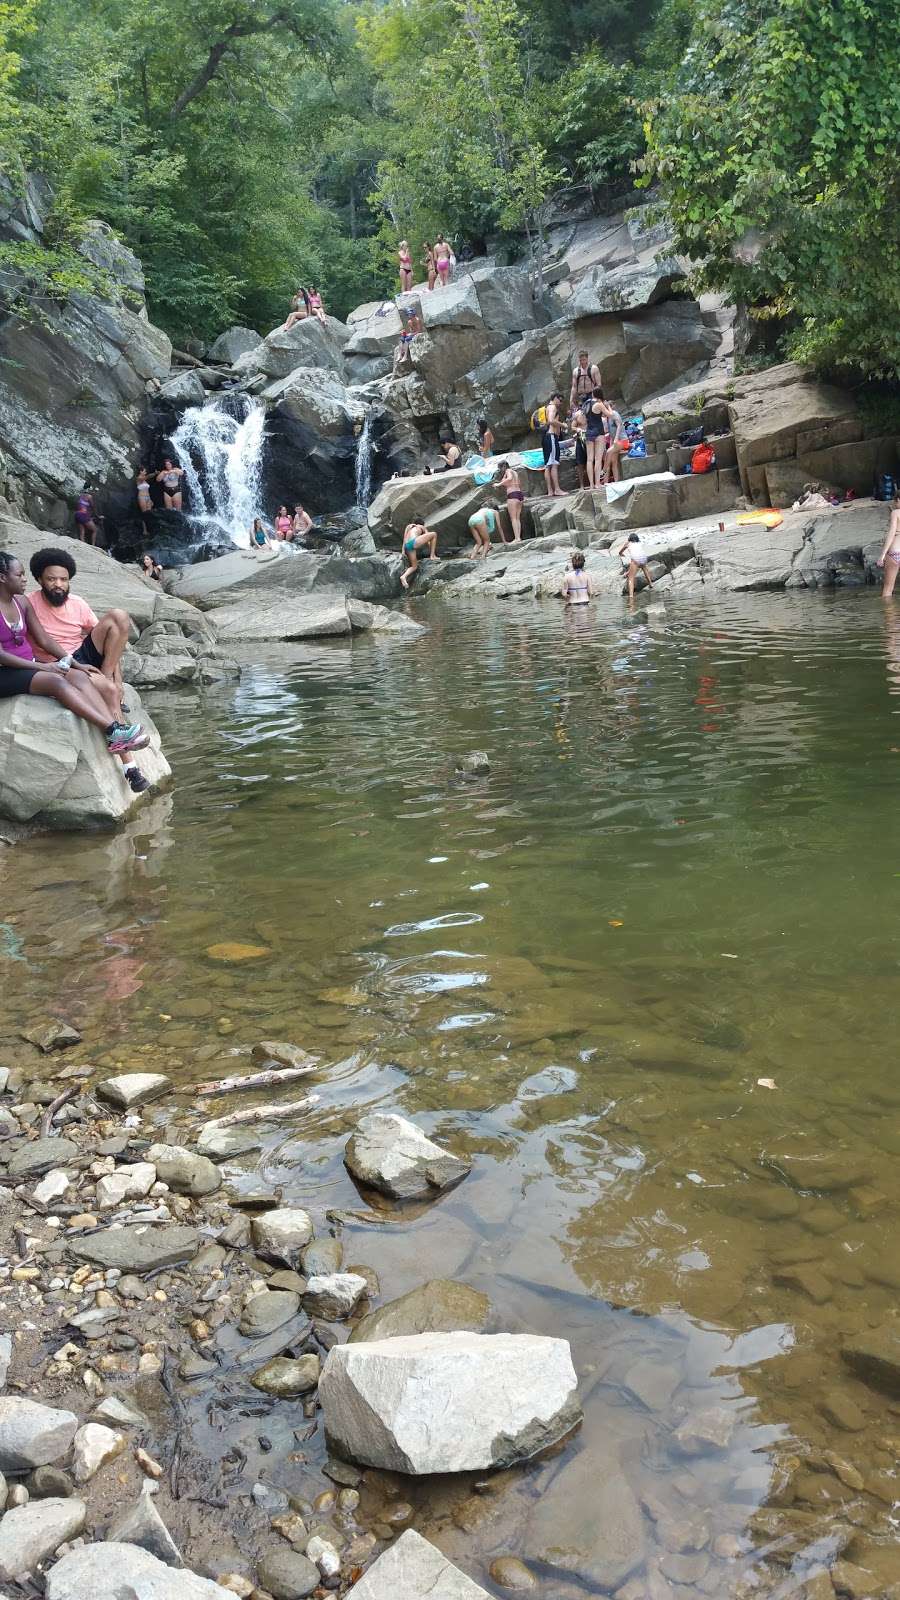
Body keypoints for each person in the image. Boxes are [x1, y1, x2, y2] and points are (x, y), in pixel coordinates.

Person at [0, 552, 149, 763]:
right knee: (79, 685)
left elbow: (45, 639)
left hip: (53, 660)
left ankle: (119, 733)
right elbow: (13, 652)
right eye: (19, 574)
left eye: (63, 579)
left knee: (82, 674)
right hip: (24, 667)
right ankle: (119, 742)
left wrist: (87, 667)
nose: (58, 584)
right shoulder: (28, 601)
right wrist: (46, 668)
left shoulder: (25, 602)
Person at [400, 520, 439, 589]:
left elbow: (404, 539)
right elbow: (429, 540)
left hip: (407, 546)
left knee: (414, 566)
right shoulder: (421, 526)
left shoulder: (409, 526)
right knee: (434, 534)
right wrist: (432, 549)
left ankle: (403, 577)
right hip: (413, 542)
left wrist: (403, 551)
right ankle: (432, 556)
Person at [494, 460, 524, 542]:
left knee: (513, 518)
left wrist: (498, 484)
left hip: (512, 495)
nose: (500, 470)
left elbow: (510, 478)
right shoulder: (515, 472)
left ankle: (517, 538)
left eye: (500, 468)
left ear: (504, 466)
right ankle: (519, 537)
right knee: (517, 518)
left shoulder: (508, 471)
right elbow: (516, 482)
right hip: (519, 494)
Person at [584, 387, 608, 489]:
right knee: (598, 459)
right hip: (599, 432)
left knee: (589, 460)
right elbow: (609, 415)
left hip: (589, 432)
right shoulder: (599, 404)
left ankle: (591, 485)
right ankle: (598, 483)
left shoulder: (586, 404)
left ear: (593, 394)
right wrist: (608, 406)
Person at [542, 393, 565, 498]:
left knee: (548, 465)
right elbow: (551, 421)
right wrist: (562, 424)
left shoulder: (547, 407)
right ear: (555, 398)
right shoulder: (552, 407)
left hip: (546, 437)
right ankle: (557, 489)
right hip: (551, 437)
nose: (561, 402)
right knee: (554, 464)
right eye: (560, 400)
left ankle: (550, 491)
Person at [877, 496, 900, 597]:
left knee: (888, 590)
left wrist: (882, 556)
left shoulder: (896, 513)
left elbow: (891, 533)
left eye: (895, 501)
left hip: (895, 552)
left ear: (898, 500)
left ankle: (889, 613)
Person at [602, 402, 629, 483]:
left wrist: (616, 439)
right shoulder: (608, 418)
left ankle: (603, 473)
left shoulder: (614, 413)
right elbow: (611, 435)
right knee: (614, 462)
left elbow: (619, 425)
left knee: (608, 452)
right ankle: (616, 482)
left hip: (623, 441)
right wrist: (612, 443)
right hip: (616, 443)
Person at [618, 533, 652, 599]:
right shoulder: (639, 543)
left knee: (631, 577)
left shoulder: (628, 543)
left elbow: (620, 552)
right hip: (644, 558)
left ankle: (631, 595)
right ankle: (650, 584)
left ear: (629, 538)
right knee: (644, 568)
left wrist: (621, 554)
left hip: (635, 560)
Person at [572, 408, 588, 489]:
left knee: (592, 460)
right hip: (580, 438)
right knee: (580, 463)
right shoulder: (577, 414)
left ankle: (593, 482)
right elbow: (572, 427)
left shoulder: (592, 411)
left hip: (590, 437)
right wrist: (577, 429)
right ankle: (581, 485)